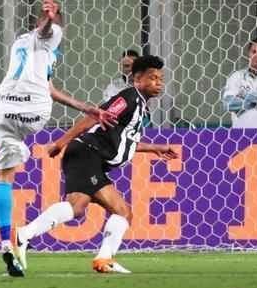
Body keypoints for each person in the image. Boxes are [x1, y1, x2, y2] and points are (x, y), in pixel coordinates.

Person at [0, 0, 120, 278]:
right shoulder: (46, 39)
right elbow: (46, 32)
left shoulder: (26, 49)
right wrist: (52, 17)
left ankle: (4, 237)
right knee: (17, 152)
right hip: (34, 112)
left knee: (6, 171)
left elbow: (51, 87)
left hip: (4, 107)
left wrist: (86, 108)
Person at [22, 55, 178, 275]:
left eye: (160, 78)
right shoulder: (128, 98)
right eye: (153, 78)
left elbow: (124, 140)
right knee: (81, 207)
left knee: (121, 212)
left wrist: (154, 148)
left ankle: (104, 259)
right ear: (137, 78)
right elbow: (96, 117)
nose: (158, 83)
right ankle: (23, 235)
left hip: (91, 157)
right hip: (87, 153)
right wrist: (59, 143)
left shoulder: (140, 106)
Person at [222, 37, 257, 128]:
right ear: (248, 54)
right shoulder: (236, 77)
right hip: (240, 134)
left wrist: (243, 95)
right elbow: (228, 103)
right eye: (254, 52)